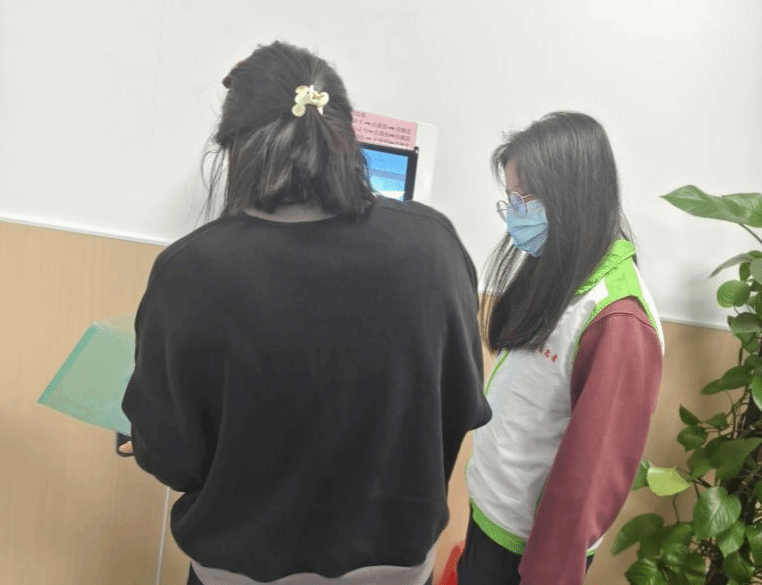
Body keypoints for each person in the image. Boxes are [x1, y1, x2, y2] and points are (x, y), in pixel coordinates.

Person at [120, 41, 491, 585]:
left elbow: (169, 457)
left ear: (234, 149)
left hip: (239, 569)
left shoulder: (190, 270)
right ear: (346, 136)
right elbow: (462, 407)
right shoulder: (434, 245)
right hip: (395, 564)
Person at [458, 112, 664, 585]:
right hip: (492, 512)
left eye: (523, 200)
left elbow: (590, 477)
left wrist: (548, 573)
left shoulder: (618, 318)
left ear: (573, 198)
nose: (513, 214)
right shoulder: (559, 268)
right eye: (510, 199)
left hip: (527, 550)